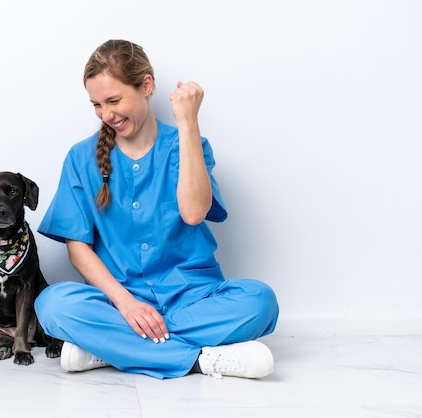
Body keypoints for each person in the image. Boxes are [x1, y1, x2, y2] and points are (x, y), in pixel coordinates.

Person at [35, 39, 279, 380]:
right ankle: (201, 360)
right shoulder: (81, 157)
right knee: (52, 305)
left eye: (114, 100)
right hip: (119, 301)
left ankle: (109, 348)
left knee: (260, 301)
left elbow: (194, 213)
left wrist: (188, 122)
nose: (107, 115)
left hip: (194, 298)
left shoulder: (189, 145)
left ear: (146, 85)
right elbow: (78, 249)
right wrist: (125, 303)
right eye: (96, 105)